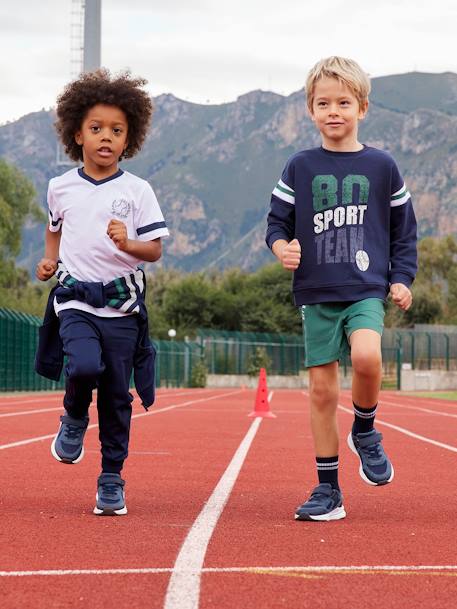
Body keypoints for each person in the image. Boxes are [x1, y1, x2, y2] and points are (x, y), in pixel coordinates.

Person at [266, 56, 417, 521]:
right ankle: (328, 490)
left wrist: (401, 278)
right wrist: (281, 249)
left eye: (344, 102)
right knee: (322, 391)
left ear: (362, 108)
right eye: (324, 103)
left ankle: (366, 429)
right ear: (310, 110)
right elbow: (277, 222)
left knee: (368, 358)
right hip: (316, 291)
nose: (334, 111)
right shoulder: (300, 166)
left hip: (366, 287)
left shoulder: (382, 166)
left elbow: (403, 231)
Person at [35, 69, 169, 516]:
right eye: (96, 129)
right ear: (77, 134)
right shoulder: (60, 188)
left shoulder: (137, 191)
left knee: (116, 396)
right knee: (83, 366)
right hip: (74, 298)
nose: (106, 138)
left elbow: (154, 250)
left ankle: (111, 477)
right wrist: (50, 260)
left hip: (122, 307)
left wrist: (127, 242)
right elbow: (54, 230)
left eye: (116, 130)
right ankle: (74, 416)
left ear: (129, 137)